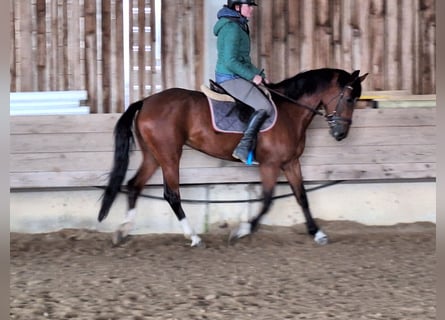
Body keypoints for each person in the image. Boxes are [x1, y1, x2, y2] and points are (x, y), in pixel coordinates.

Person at [213, 0, 273, 165]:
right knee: (265, 106)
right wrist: (252, 77)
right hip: (229, 78)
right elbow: (231, 61)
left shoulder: (238, 25)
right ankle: (243, 148)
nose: (251, 10)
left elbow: (243, 60)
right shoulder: (232, 28)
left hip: (235, 74)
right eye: (249, 6)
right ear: (237, 7)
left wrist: (260, 74)